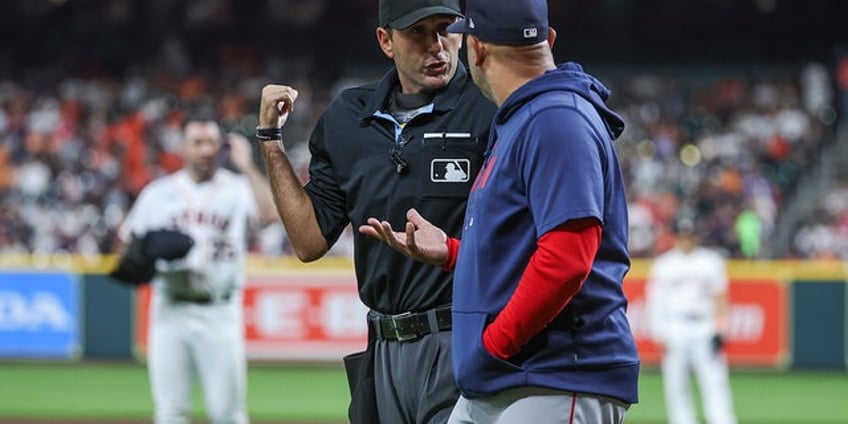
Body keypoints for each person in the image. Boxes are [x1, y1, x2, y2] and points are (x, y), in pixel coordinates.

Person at [359, 0, 640, 422]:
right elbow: (523, 248)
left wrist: (495, 345)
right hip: (509, 379)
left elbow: (567, 259)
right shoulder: (529, 117)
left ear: (477, 48)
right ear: (548, 39)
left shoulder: (556, 117)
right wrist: (454, 253)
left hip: (557, 375)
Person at [255, 0, 497, 422]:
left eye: (446, 28)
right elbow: (309, 242)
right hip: (383, 346)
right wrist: (271, 142)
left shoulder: (490, 108)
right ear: (386, 41)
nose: (437, 45)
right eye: (418, 32)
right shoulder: (348, 119)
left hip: (464, 337)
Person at [116, 116, 278, 424]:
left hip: (220, 311)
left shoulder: (238, 188)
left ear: (222, 148)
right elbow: (127, 248)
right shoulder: (158, 193)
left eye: (212, 143)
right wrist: (150, 251)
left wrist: (245, 165)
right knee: (170, 412)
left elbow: (271, 213)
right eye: (198, 143)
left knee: (228, 414)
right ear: (183, 148)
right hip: (169, 310)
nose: (205, 150)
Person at [646, 216, 737, 424]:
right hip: (675, 326)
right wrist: (658, 331)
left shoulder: (711, 261)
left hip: (704, 326)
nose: (686, 239)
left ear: (696, 236)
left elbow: (719, 296)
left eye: (689, 235)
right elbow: (656, 301)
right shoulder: (664, 264)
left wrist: (721, 328)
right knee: (676, 385)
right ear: (676, 236)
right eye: (682, 235)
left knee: (714, 382)